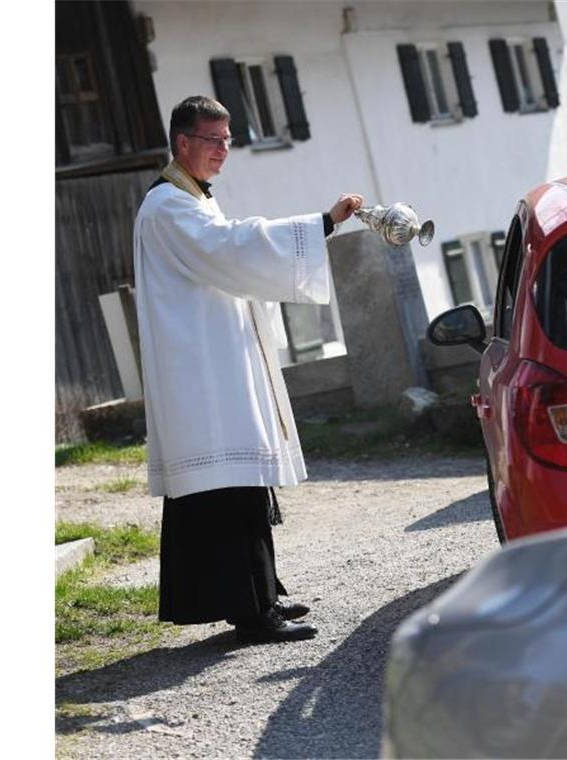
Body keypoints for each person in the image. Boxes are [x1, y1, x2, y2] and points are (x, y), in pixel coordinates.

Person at [133, 95, 363, 644]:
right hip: (203, 379)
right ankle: (253, 612)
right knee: (230, 491)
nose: (222, 151)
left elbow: (228, 251)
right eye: (212, 140)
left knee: (239, 489)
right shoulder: (168, 206)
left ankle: (261, 594)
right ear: (182, 142)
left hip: (215, 368)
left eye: (228, 141)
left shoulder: (189, 199)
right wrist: (321, 223)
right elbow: (232, 247)